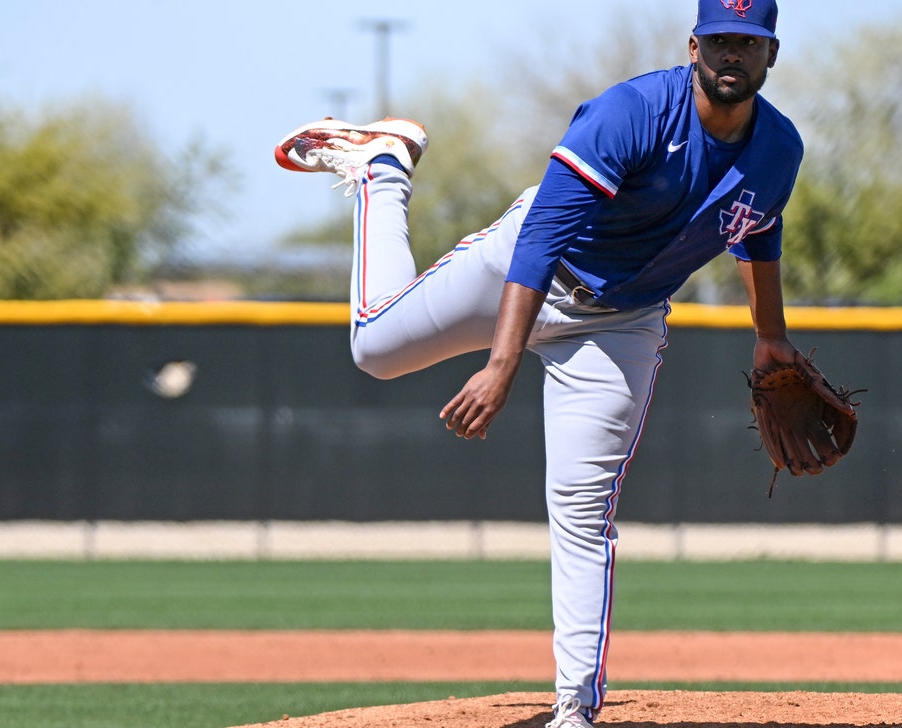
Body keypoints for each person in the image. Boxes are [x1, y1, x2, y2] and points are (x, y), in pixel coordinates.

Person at [275, 1, 804, 725]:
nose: (732, 55)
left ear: (772, 55)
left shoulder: (779, 150)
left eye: (749, 42)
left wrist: (770, 335)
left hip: (622, 321)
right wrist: (501, 362)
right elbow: (543, 236)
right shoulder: (632, 115)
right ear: (693, 47)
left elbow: (756, 232)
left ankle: (573, 709)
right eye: (720, 41)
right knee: (374, 349)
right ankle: (383, 171)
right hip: (530, 270)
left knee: (584, 511)